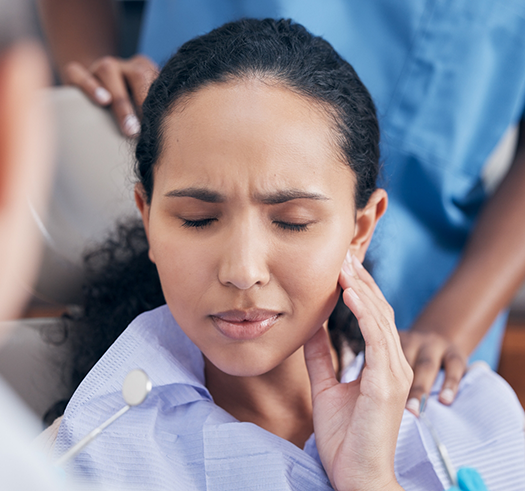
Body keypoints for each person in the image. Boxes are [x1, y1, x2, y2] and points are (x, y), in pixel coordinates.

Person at [52, 19, 525, 491]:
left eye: (292, 222)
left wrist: (369, 480)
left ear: (360, 229)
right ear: (147, 218)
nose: (242, 272)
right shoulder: (89, 458)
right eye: (198, 219)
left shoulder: (475, 418)